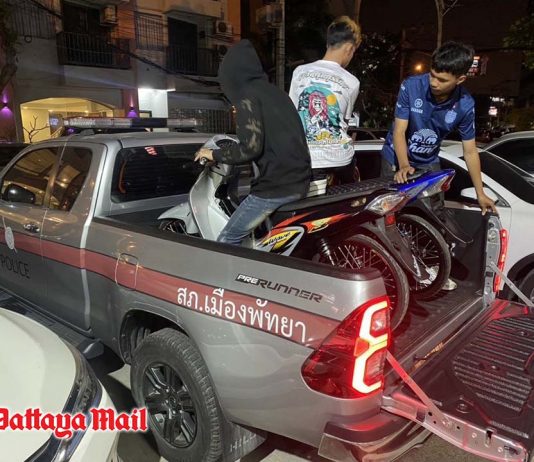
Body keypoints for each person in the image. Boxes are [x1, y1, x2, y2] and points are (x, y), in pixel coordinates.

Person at [194, 40, 311, 246]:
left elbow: (250, 148)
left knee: (227, 239)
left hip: (276, 187)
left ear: (231, 76)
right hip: (299, 181)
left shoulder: (247, 97)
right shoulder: (277, 93)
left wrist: (212, 154)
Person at [381, 41, 497, 215]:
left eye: (442, 80)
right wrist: (404, 165)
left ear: (460, 79)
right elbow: (399, 131)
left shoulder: (465, 105)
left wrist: (480, 194)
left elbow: (470, 152)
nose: (434, 83)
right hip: (395, 157)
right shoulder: (411, 86)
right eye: (432, 75)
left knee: (435, 213)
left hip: (428, 160)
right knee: (389, 212)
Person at [289, 16, 361, 183]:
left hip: (304, 158)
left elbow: (292, 114)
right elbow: (344, 123)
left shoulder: (299, 72)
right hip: (339, 161)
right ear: (349, 48)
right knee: (353, 190)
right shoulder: (352, 82)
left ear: (329, 44)